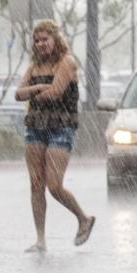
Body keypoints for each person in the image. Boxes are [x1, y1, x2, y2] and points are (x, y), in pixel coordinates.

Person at [14, 19, 95, 252]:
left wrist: (34, 92)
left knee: (53, 184)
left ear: (55, 39)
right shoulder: (34, 67)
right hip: (36, 126)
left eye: (45, 39)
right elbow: (18, 94)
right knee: (36, 184)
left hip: (61, 127)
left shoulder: (66, 62)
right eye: (36, 40)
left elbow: (56, 93)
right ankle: (40, 239)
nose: (40, 44)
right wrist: (38, 89)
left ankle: (83, 218)